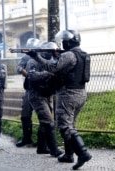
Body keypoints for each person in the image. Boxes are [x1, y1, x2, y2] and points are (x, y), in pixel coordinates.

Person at [27, 30, 92, 170]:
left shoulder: (69, 54)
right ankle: (68, 155)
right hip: (81, 93)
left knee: (65, 126)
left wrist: (35, 55)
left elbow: (52, 67)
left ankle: (83, 153)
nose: (62, 44)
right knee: (71, 125)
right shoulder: (83, 54)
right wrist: (58, 55)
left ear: (68, 42)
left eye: (64, 41)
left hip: (68, 94)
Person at [26, 41, 62, 157]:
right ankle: (54, 150)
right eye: (49, 51)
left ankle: (41, 147)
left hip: (48, 94)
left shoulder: (52, 61)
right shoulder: (32, 61)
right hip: (36, 95)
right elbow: (31, 76)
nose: (51, 54)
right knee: (48, 122)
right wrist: (47, 74)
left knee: (44, 122)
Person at [15, 38, 40, 148]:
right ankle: (26, 138)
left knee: (43, 117)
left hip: (41, 90)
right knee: (25, 115)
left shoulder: (43, 56)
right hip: (29, 89)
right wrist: (24, 72)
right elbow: (18, 67)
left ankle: (42, 141)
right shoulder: (26, 57)